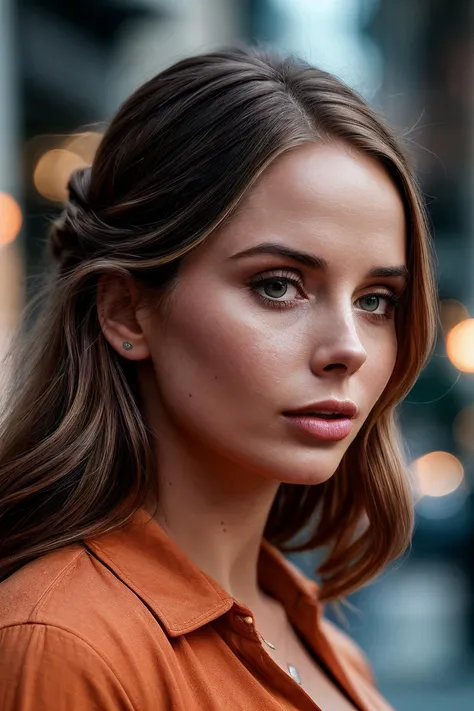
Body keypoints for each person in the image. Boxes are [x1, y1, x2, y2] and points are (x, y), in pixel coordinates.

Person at [0, 47, 436, 710]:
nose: (348, 348)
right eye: (279, 285)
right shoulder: (65, 646)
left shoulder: (320, 634)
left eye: (376, 298)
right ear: (127, 310)